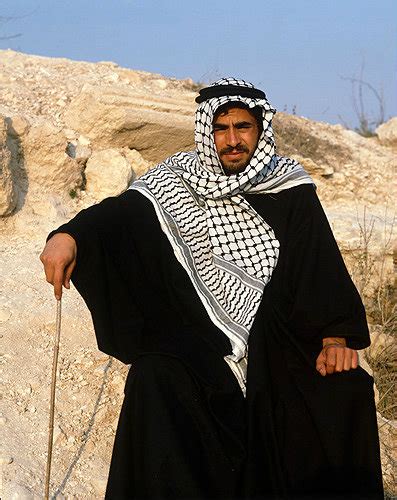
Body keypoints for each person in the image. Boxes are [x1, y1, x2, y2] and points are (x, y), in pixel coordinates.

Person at [40, 78, 383, 499]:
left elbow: (319, 266)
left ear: (260, 131)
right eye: (221, 129)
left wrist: (334, 337)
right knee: (154, 377)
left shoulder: (289, 187)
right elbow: (119, 218)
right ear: (208, 132)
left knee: (343, 388)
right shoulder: (175, 180)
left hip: (277, 344)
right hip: (194, 344)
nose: (233, 140)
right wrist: (69, 236)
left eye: (243, 127)